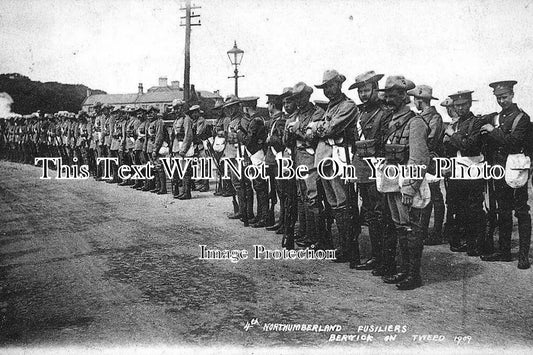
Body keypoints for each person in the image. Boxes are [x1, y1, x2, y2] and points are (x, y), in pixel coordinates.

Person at [378, 75, 429, 290]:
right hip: (392, 180)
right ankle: (404, 270)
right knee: (400, 227)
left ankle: (413, 275)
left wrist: (409, 188)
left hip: (407, 182)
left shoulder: (415, 122)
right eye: (387, 95)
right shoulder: (391, 121)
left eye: (393, 95)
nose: (388, 99)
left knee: (411, 228)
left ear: (403, 96)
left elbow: (419, 158)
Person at [480, 81, 531, 269]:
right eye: (498, 98)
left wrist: (493, 131)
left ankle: (523, 255)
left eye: (504, 97)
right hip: (499, 170)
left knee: (521, 211)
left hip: (516, 171)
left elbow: (513, 143)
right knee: (503, 210)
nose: (502, 101)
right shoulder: (497, 117)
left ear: (512, 95)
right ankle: (504, 252)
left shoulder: (522, 118)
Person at [311, 69, 358, 263]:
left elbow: (329, 128)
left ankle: (348, 248)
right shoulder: (331, 106)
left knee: (343, 202)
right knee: (333, 204)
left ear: (339, 84)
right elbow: (318, 130)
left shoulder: (348, 106)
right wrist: (319, 128)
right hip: (325, 160)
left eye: (330, 86)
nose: (328, 90)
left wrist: (318, 128)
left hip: (339, 159)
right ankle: (343, 245)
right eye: (324, 87)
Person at [347, 71, 392, 271]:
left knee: (380, 213)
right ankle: (376, 256)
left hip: (378, 168)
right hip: (362, 169)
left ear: (375, 89)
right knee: (371, 214)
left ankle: (385, 259)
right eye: (361, 91)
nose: (363, 95)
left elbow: (385, 142)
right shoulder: (360, 113)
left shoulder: (384, 112)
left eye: (366, 90)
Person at [443, 90, 486, 256]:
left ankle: (477, 245)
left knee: (475, 208)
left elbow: (470, 145)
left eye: (463, 105)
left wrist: (453, 136)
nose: (460, 108)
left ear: (469, 104)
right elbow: (449, 147)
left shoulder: (476, 122)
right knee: (459, 207)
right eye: (457, 105)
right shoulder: (455, 124)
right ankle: (465, 242)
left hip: (473, 171)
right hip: (457, 171)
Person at [286, 82, 326, 248]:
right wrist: (289, 132)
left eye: (302, 97)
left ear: (308, 96)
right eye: (296, 98)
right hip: (298, 159)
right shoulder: (295, 115)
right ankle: (307, 233)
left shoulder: (317, 113)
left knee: (313, 198)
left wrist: (296, 131)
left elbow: (313, 137)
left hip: (311, 160)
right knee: (302, 197)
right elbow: (286, 141)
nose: (299, 101)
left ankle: (319, 238)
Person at [408, 85, 445, 245]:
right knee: (426, 196)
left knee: (435, 196)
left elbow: (431, 140)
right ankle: (423, 231)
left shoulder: (434, 117)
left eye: (415, 99)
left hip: (432, 160)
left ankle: (436, 232)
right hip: (425, 158)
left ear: (419, 100)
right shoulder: (423, 116)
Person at [241, 96, 269, 228]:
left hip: (257, 155)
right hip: (258, 154)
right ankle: (261, 216)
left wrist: (239, 133)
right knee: (259, 186)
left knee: (260, 186)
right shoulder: (259, 118)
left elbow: (248, 140)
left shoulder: (254, 121)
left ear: (246, 107)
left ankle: (263, 217)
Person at [264, 92, 288, 230]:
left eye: (269, 104)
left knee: (281, 192)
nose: (268, 107)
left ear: (272, 105)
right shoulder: (274, 120)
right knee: (273, 191)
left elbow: (280, 142)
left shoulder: (280, 121)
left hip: (277, 160)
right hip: (271, 160)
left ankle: (283, 222)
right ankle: (278, 221)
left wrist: (270, 140)